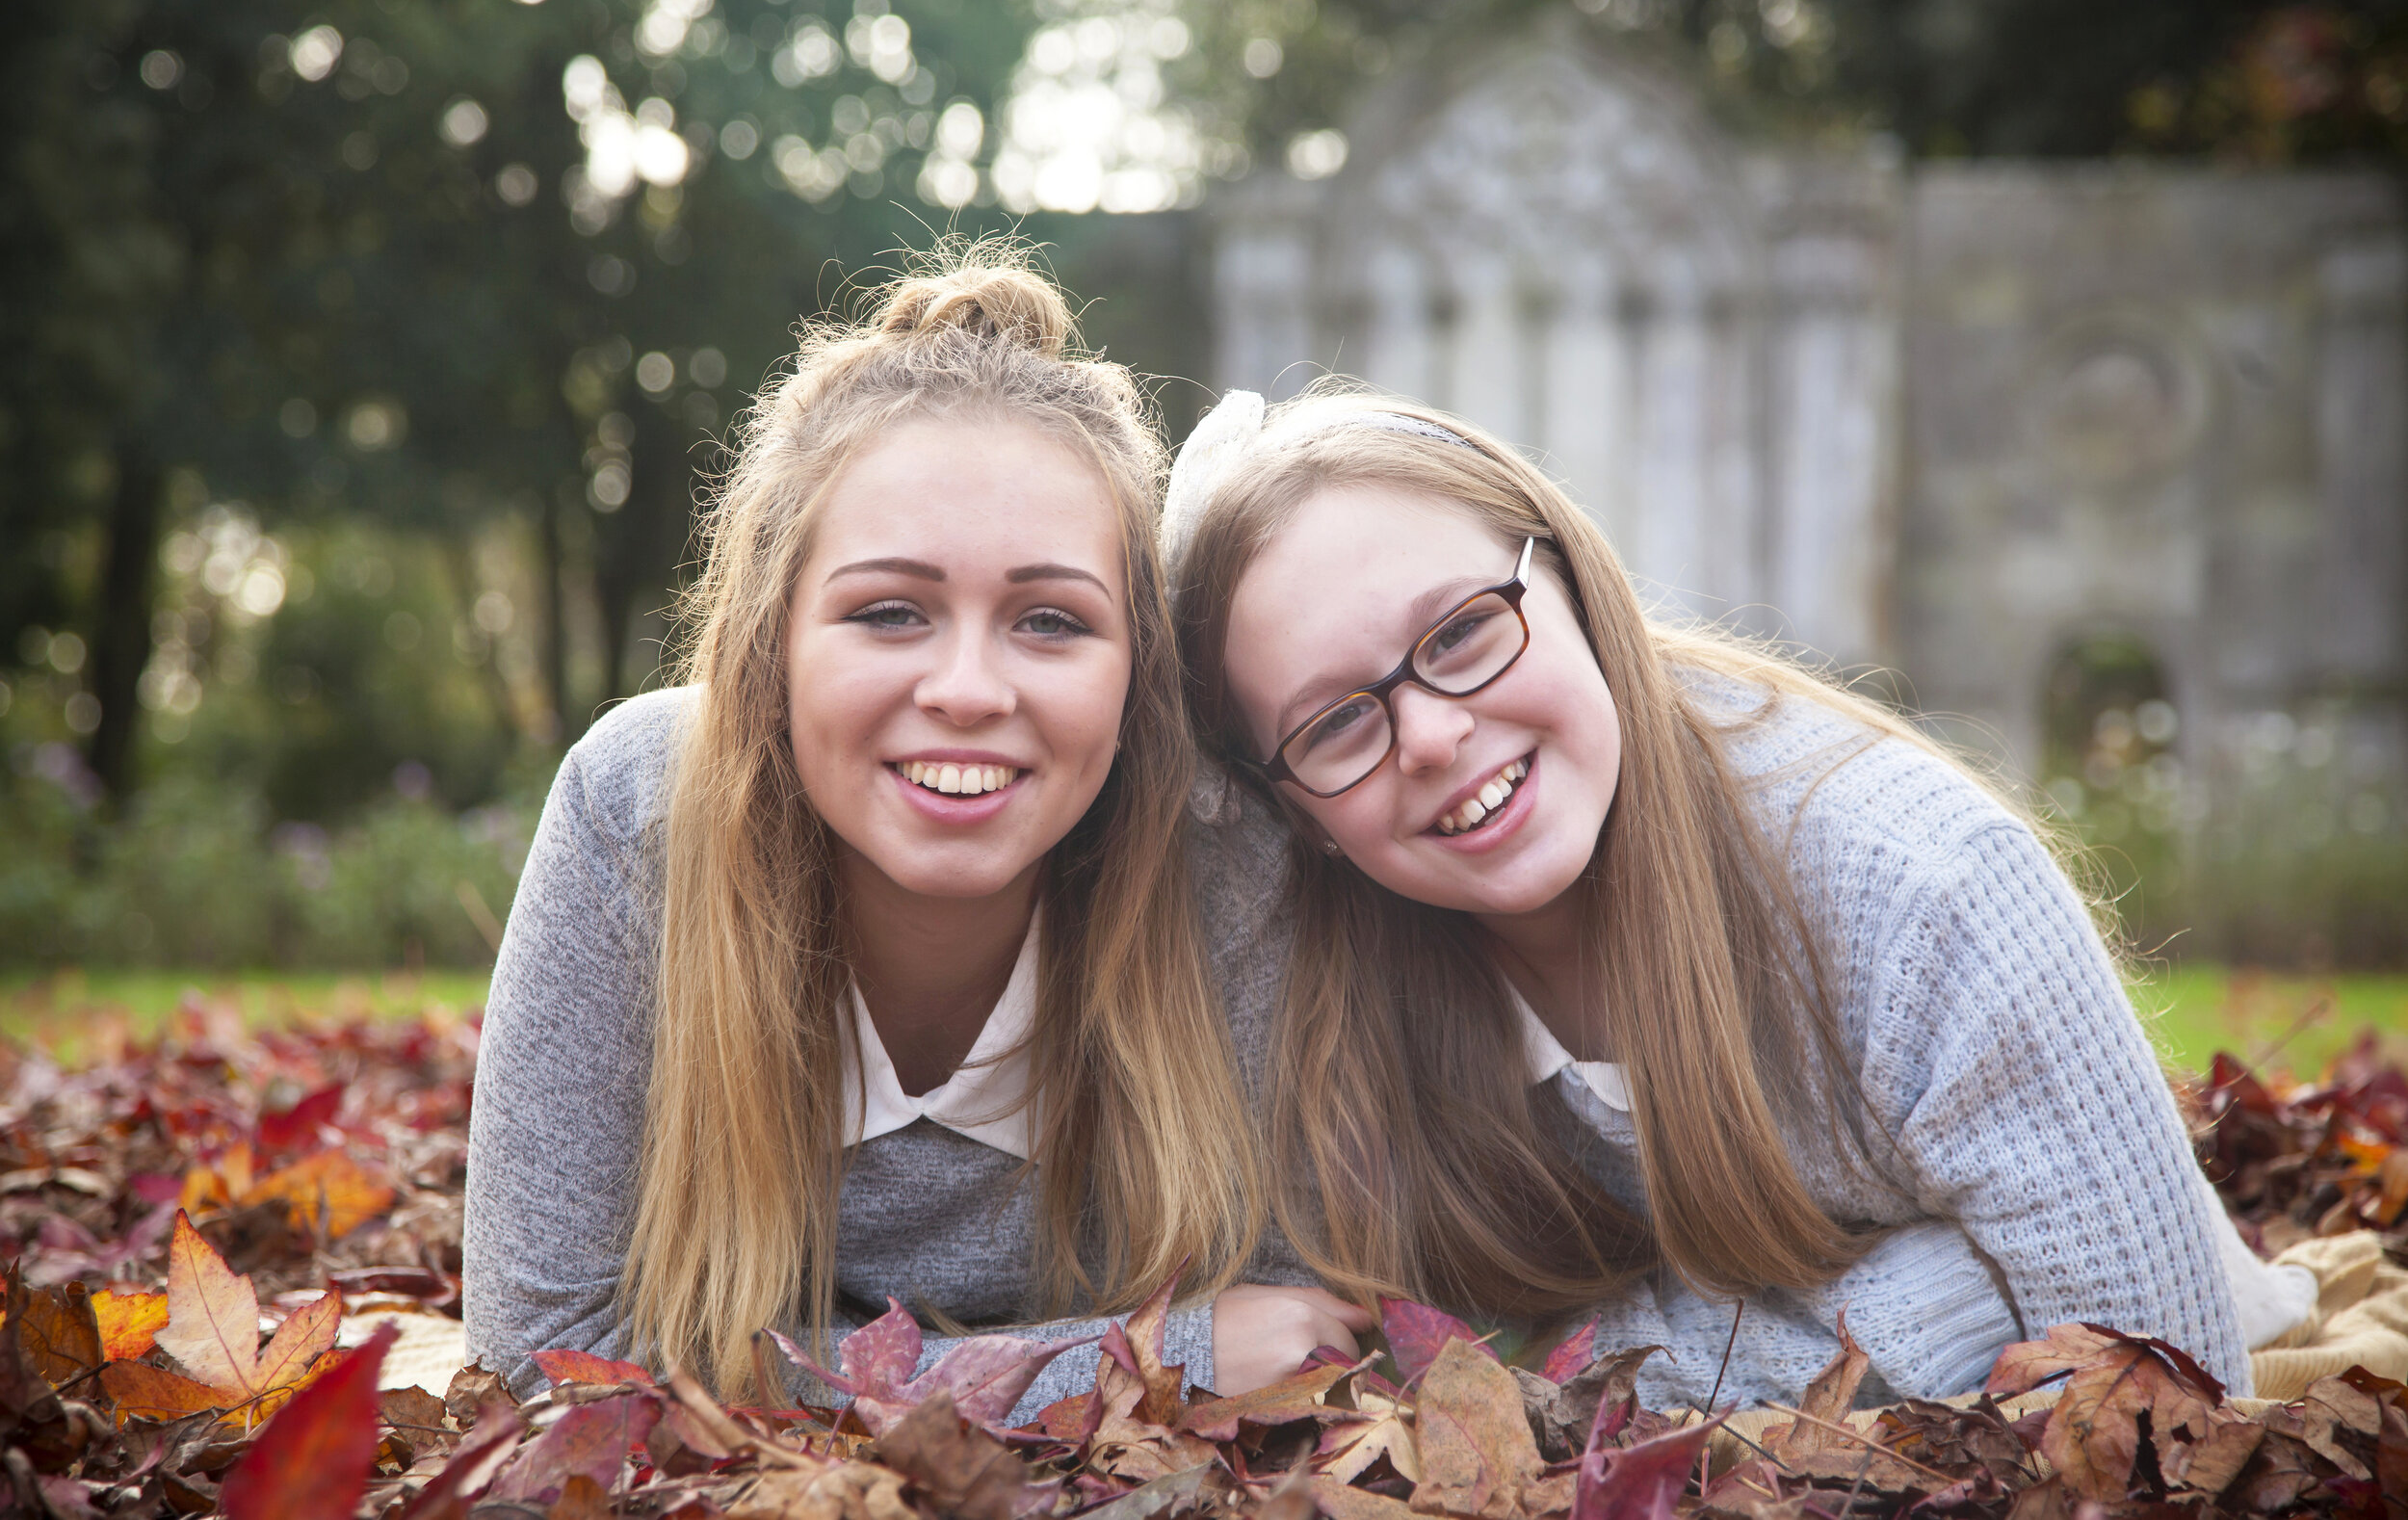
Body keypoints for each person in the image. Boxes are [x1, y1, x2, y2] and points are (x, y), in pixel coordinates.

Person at [1164, 385, 2284, 1408]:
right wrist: (1943, 1300)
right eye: (1335, 722)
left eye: (1460, 630)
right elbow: (1352, 1365)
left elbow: (2167, 1414)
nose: (1434, 734)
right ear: (1292, 812)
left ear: (1571, 582)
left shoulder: (1920, 887)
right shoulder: (1304, 976)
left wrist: (1607, 1374)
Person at [463, 253, 1367, 1412]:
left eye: (1050, 620)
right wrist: (1148, 1359)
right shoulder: (640, 817)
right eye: (890, 611)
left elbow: (1303, 1335)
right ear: (769, 643)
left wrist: (795, 1377)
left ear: (1137, 668)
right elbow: (541, 1359)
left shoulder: (1226, 863)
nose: (968, 687)